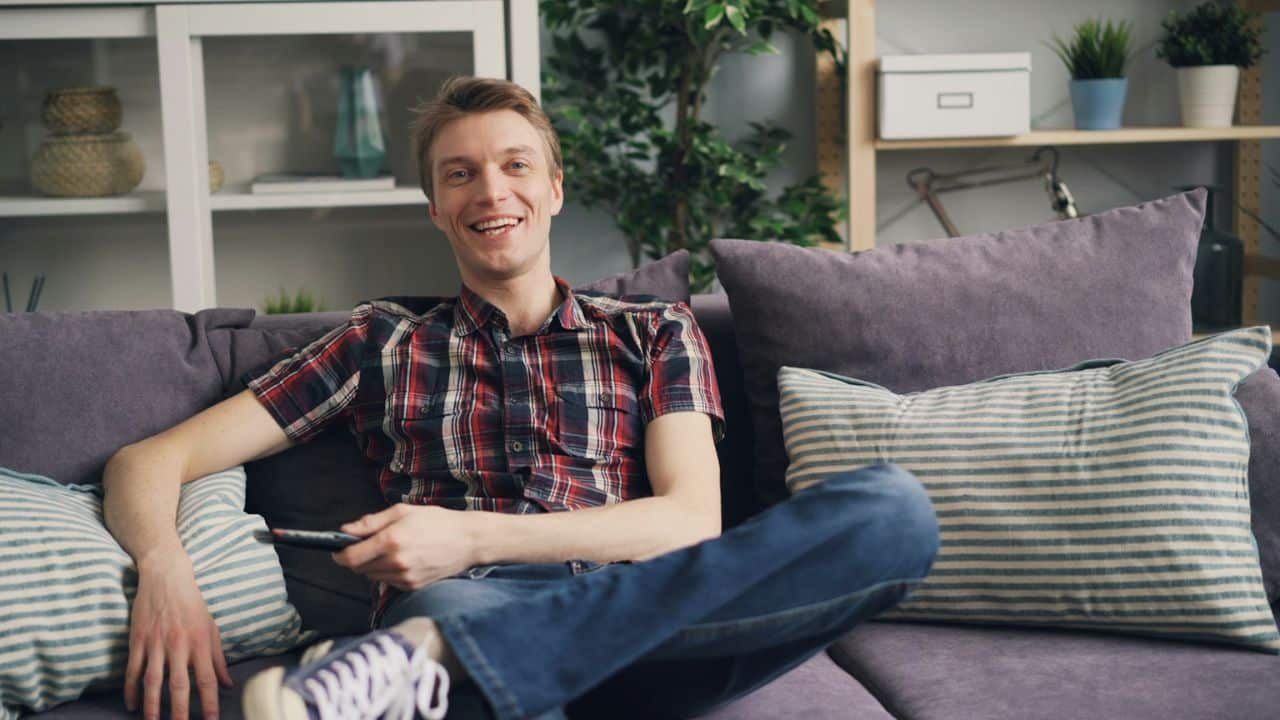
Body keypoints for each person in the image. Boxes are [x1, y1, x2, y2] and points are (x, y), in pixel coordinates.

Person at [102, 76, 939, 720]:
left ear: (555, 189)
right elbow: (150, 460)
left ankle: (417, 664)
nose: (491, 191)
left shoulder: (654, 331)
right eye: (460, 175)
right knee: (463, 630)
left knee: (895, 511)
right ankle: (436, 658)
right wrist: (167, 571)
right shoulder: (379, 341)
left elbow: (690, 522)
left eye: (515, 165)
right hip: (470, 609)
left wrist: (467, 536)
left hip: (650, 623)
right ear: (437, 209)